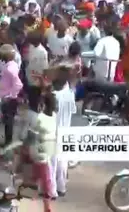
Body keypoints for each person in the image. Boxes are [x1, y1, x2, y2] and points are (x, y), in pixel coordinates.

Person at [50, 64, 76, 197]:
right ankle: (61, 187)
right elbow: (73, 111)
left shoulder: (54, 95)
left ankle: (52, 190)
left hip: (54, 130)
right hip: (66, 129)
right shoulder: (70, 92)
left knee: (53, 162)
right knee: (62, 160)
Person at [0, 44, 23, 146]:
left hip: (9, 99)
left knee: (8, 121)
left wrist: (10, 96)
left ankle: (8, 142)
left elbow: (18, 84)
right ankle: (7, 140)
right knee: (7, 120)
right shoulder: (11, 66)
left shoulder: (10, 69)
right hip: (6, 97)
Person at [25, 32, 49, 112]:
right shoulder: (31, 47)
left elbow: (45, 69)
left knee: (35, 104)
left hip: (37, 83)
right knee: (31, 102)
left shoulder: (43, 52)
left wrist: (43, 86)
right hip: (30, 79)